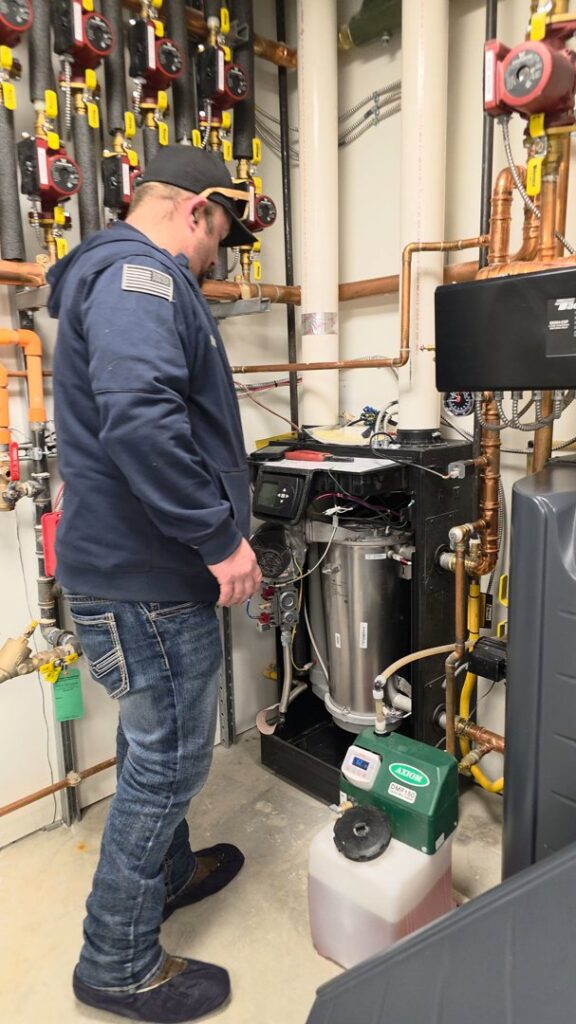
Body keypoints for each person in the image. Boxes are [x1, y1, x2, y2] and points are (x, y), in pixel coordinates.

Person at [47, 146, 263, 1023]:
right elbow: (140, 420)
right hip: (151, 577)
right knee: (167, 764)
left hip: (135, 569)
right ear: (195, 209)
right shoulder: (141, 277)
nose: (215, 258)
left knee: (153, 746)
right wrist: (220, 540)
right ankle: (116, 961)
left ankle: (168, 874)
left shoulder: (115, 277)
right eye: (219, 235)